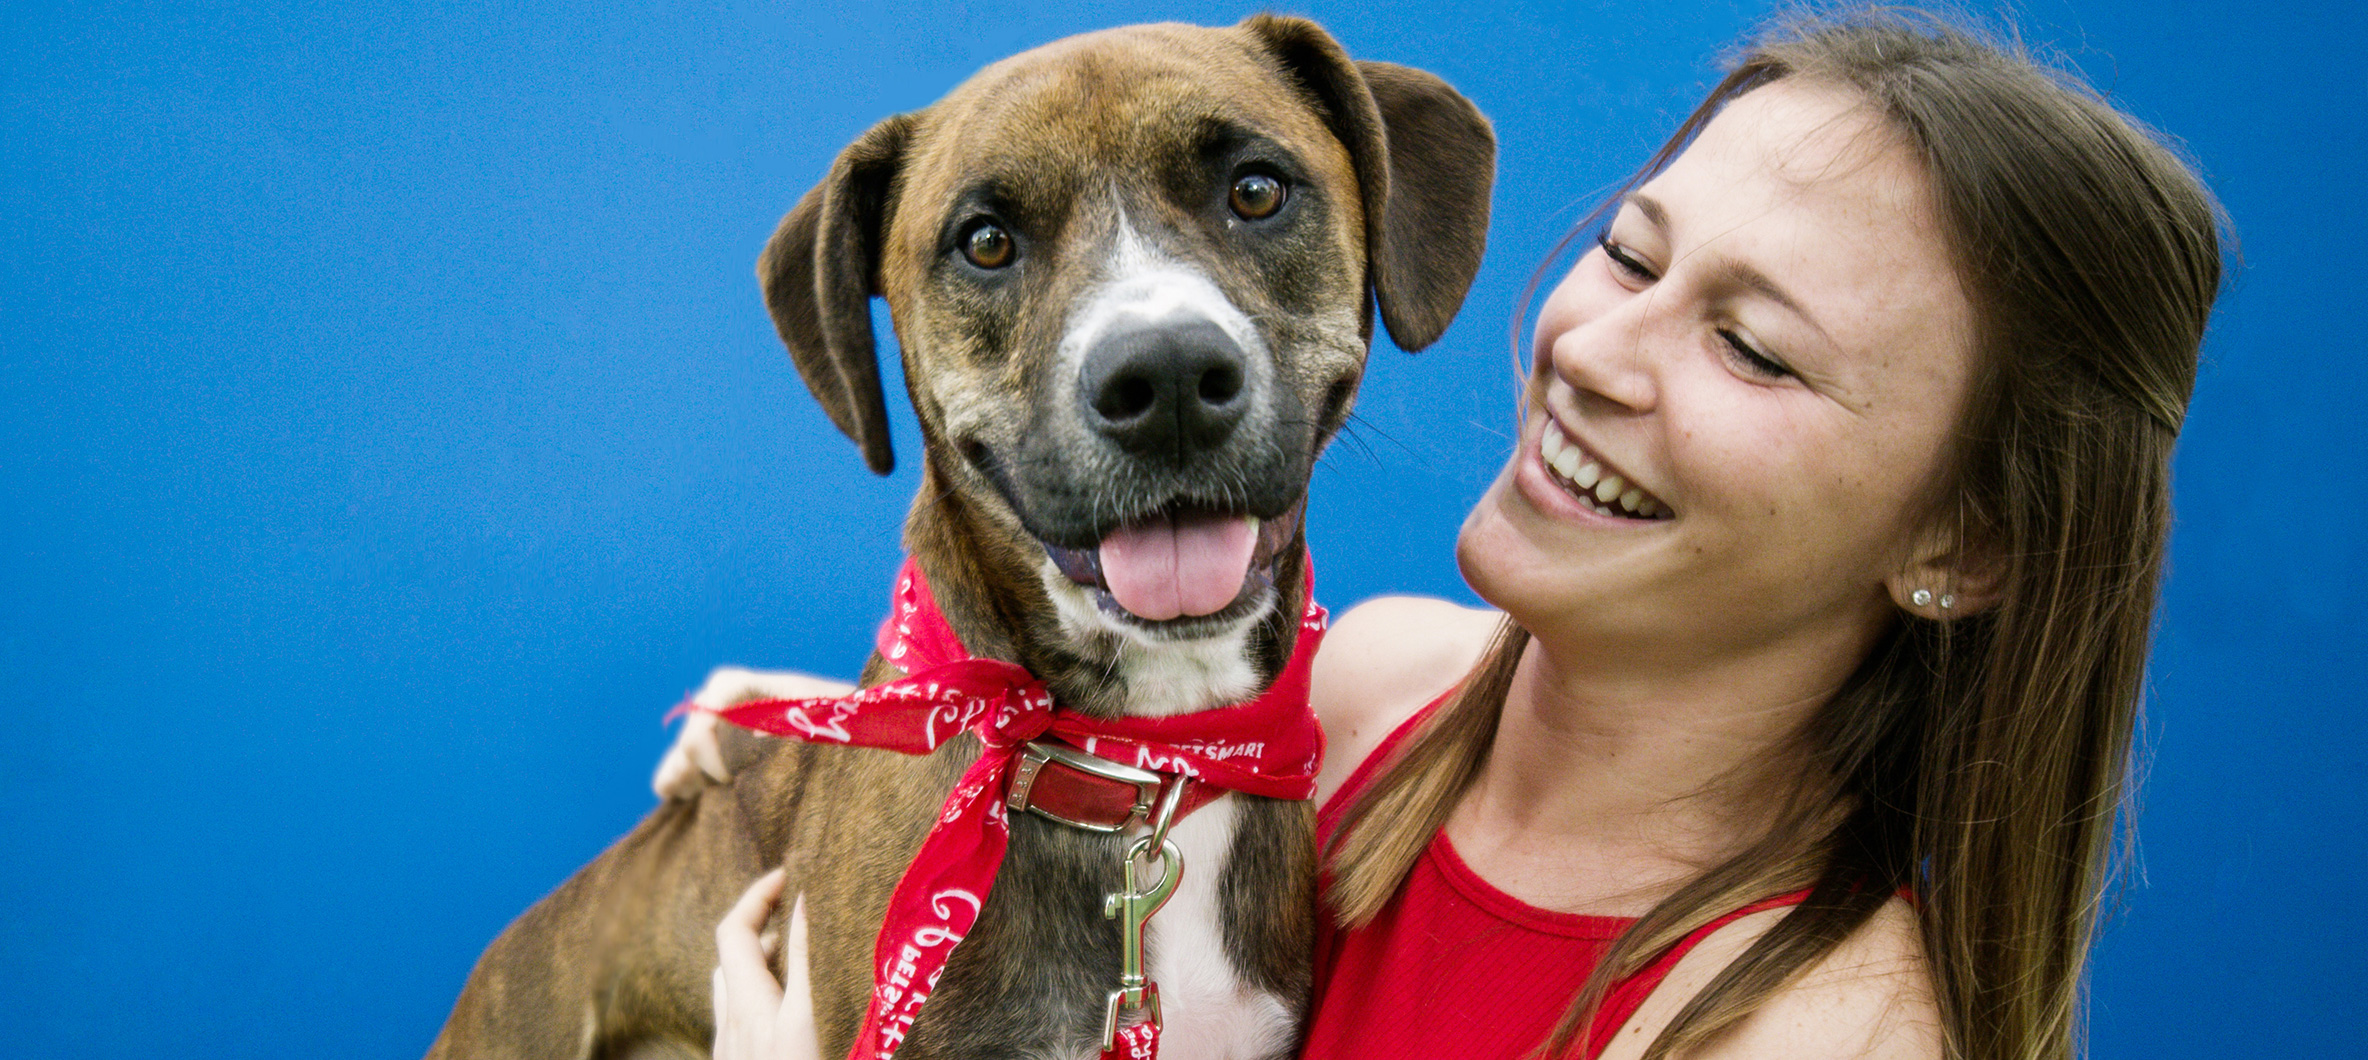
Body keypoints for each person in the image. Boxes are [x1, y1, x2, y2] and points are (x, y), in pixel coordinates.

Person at [669, 11, 2224, 1059]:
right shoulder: (1361, 699)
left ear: (1961, 543)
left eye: (1754, 348)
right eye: (1631, 251)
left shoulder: (1820, 1033)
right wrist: (832, 737)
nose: (1597, 353)